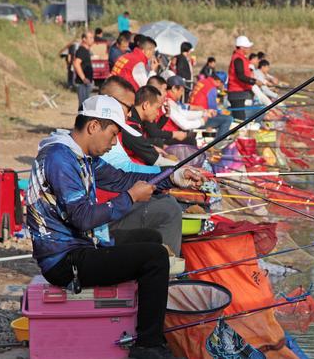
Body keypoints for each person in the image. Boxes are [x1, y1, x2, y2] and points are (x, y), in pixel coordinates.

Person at [27, 94, 207, 359]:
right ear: (93, 127)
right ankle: (148, 345)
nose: (114, 143)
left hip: (82, 247)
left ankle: (134, 316)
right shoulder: (59, 159)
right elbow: (83, 218)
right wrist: (131, 198)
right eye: (113, 134)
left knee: (151, 237)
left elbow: (124, 178)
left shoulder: (81, 155)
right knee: (155, 258)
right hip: (64, 261)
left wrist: (175, 177)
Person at [98, 76, 185, 256]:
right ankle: (167, 271)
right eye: (128, 108)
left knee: (167, 203)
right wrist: (170, 174)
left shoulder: (112, 133)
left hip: (112, 207)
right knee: (170, 209)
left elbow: (126, 173)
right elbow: (126, 173)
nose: (130, 114)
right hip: (102, 220)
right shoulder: (102, 138)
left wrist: (171, 176)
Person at [120, 86, 177, 167]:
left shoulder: (135, 120)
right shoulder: (130, 127)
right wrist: (183, 167)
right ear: (146, 105)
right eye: (157, 108)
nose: (158, 113)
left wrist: (151, 147)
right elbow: (156, 160)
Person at [145, 76, 195, 146]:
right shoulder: (148, 105)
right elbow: (153, 132)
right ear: (155, 90)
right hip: (155, 142)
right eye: (165, 90)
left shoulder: (155, 103)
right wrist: (174, 134)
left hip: (157, 140)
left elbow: (155, 128)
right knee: (190, 141)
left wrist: (166, 116)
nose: (166, 93)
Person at [227, 36, 262, 121]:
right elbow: (240, 76)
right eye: (247, 47)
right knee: (239, 120)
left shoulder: (241, 58)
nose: (249, 49)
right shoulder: (238, 59)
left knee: (240, 118)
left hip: (240, 93)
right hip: (236, 94)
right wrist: (254, 81)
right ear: (242, 47)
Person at [73, 31, 95, 108]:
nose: (92, 39)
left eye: (93, 37)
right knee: (83, 106)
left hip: (85, 83)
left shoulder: (86, 50)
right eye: (90, 38)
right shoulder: (82, 50)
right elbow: (76, 63)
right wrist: (84, 78)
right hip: (82, 83)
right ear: (84, 39)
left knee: (86, 106)